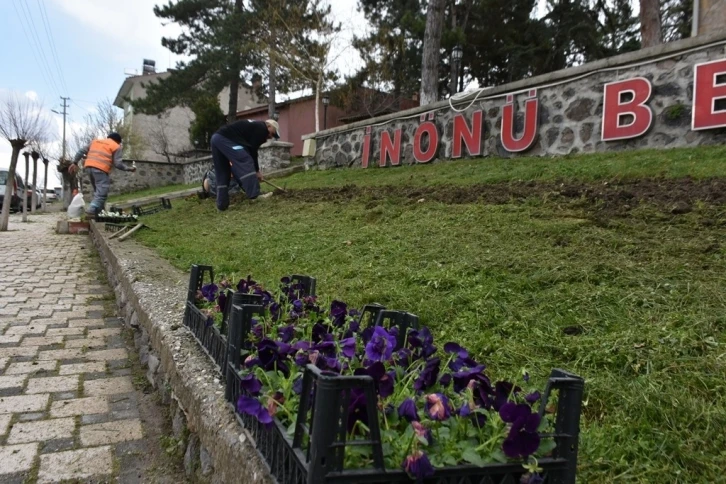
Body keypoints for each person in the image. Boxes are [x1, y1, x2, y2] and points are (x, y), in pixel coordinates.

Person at [210, 119, 279, 211]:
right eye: (272, 134)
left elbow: (250, 148)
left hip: (216, 138)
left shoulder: (254, 126)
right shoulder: (262, 128)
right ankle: (255, 195)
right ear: (269, 126)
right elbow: (253, 151)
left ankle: (222, 205)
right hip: (225, 138)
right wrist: (257, 171)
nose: (270, 137)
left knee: (223, 171)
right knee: (245, 159)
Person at [69, 132, 136, 216]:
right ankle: (92, 210)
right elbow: (118, 164)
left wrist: (75, 162)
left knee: (97, 191)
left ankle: (100, 211)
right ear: (118, 141)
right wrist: (129, 168)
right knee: (102, 193)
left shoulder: (95, 141)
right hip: (100, 169)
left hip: (89, 167)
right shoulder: (116, 146)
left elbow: (81, 151)